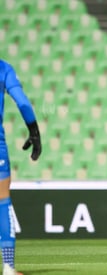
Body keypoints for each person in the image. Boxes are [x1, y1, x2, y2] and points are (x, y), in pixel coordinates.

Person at [0, 60, 42, 275]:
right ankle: (8, 267)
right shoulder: (3, 68)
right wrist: (34, 130)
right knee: (2, 201)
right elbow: (22, 102)